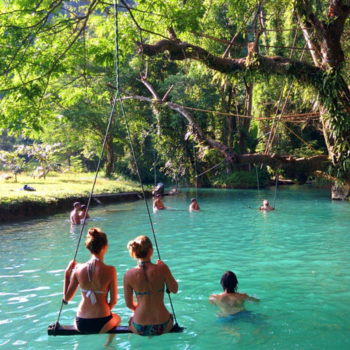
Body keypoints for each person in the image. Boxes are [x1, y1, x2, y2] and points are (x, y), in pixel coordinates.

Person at [63, 227, 121, 345]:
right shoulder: (110, 270)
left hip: (81, 323)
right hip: (102, 322)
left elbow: (67, 298)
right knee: (117, 318)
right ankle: (108, 345)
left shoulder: (78, 268)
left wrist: (66, 274)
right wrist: (102, 310)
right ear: (105, 247)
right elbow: (114, 301)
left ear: (90, 248)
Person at [124, 235, 178, 336]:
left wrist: (141, 310)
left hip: (139, 326)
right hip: (163, 325)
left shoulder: (128, 274)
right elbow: (174, 289)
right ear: (150, 250)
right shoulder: (162, 268)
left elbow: (129, 304)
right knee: (169, 316)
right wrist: (164, 268)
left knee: (131, 318)